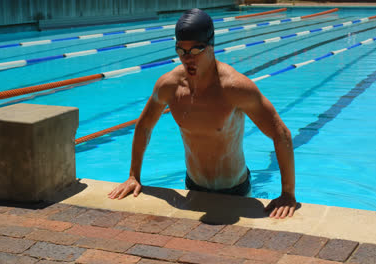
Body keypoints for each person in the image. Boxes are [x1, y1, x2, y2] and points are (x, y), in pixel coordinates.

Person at [108, 8, 296, 218]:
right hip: (193, 186)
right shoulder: (169, 85)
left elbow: (281, 134)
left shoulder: (235, 88)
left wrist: (288, 193)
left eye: (196, 50)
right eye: (182, 51)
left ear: (211, 45)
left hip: (235, 190)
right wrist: (134, 176)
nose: (188, 58)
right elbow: (144, 126)